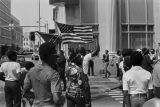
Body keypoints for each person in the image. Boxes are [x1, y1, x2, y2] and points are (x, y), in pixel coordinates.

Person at [23, 42, 65, 107]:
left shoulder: (31, 71)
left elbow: (25, 91)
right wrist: (62, 99)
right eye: (55, 55)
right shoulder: (54, 74)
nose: (56, 58)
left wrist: (38, 98)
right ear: (50, 56)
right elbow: (56, 99)